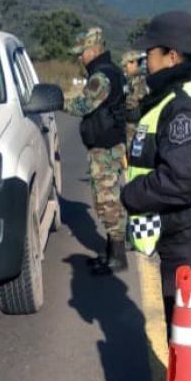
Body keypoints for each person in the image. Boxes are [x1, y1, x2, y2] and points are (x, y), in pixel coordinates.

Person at [120, 10, 191, 331]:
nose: (146, 62)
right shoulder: (178, 96)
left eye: (149, 54)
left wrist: (131, 194)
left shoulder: (184, 106)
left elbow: (181, 180)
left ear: (171, 56)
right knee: (187, 354)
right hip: (189, 242)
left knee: (189, 361)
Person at [63, 27, 129, 275]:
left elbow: (83, 105)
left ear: (93, 50)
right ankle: (112, 253)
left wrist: (60, 101)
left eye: (81, 53)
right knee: (106, 200)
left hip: (106, 147)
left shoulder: (101, 76)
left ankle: (118, 258)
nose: (79, 58)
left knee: (108, 201)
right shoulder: (112, 71)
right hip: (108, 144)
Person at [121, 49, 148, 152]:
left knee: (135, 155)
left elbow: (133, 102)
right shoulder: (132, 81)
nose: (124, 69)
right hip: (131, 127)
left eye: (126, 65)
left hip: (137, 128)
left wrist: (121, 102)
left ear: (134, 63)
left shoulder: (140, 81)